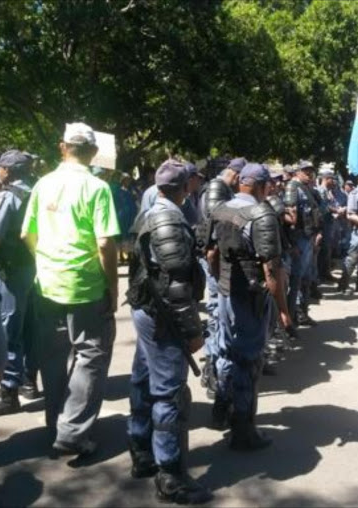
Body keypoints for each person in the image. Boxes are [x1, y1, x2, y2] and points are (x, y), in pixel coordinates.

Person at [21, 122, 120, 455]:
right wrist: (113, 288)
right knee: (90, 355)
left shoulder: (42, 184)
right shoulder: (97, 188)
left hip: (47, 284)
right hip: (85, 285)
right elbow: (105, 243)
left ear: (62, 147)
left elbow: (26, 235)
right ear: (92, 152)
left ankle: (57, 423)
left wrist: (46, 260)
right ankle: (73, 431)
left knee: (52, 356)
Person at [126, 159, 211, 504]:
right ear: (185, 183)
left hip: (150, 310)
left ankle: (142, 452)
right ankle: (170, 475)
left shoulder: (155, 210)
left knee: (144, 380)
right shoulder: (167, 218)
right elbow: (175, 283)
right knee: (170, 394)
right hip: (162, 315)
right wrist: (191, 330)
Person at [209, 163, 292, 449]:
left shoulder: (220, 209)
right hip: (249, 294)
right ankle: (243, 428)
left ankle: (221, 406)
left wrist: (219, 282)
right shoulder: (261, 214)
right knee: (248, 359)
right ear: (260, 185)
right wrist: (283, 309)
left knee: (225, 350)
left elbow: (210, 254)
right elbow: (272, 268)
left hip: (224, 290)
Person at [0, 150, 36, 416]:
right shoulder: (37, 191)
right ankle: (29, 380)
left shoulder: (8, 197)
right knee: (29, 327)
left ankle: (8, 391)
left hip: (10, 270)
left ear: (9, 171)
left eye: (2, 168)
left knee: (8, 330)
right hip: (32, 266)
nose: (0, 172)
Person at [196, 157, 246, 399]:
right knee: (217, 316)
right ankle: (213, 371)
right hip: (216, 261)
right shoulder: (217, 190)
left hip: (217, 260)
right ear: (235, 174)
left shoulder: (218, 189)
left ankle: (216, 368)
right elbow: (216, 229)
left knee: (219, 316)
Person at [284, 160, 320, 326]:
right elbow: (291, 219)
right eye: (305, 171)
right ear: (297, 172)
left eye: (311, 171)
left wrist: (316, 233)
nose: (309, 174)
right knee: (296, 280)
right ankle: (291, 320)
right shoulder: (293, 187)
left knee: (306, 279)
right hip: (299, 239)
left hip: (308, 238)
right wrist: (293, 244)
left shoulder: (308, 188)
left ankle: (302, 314)